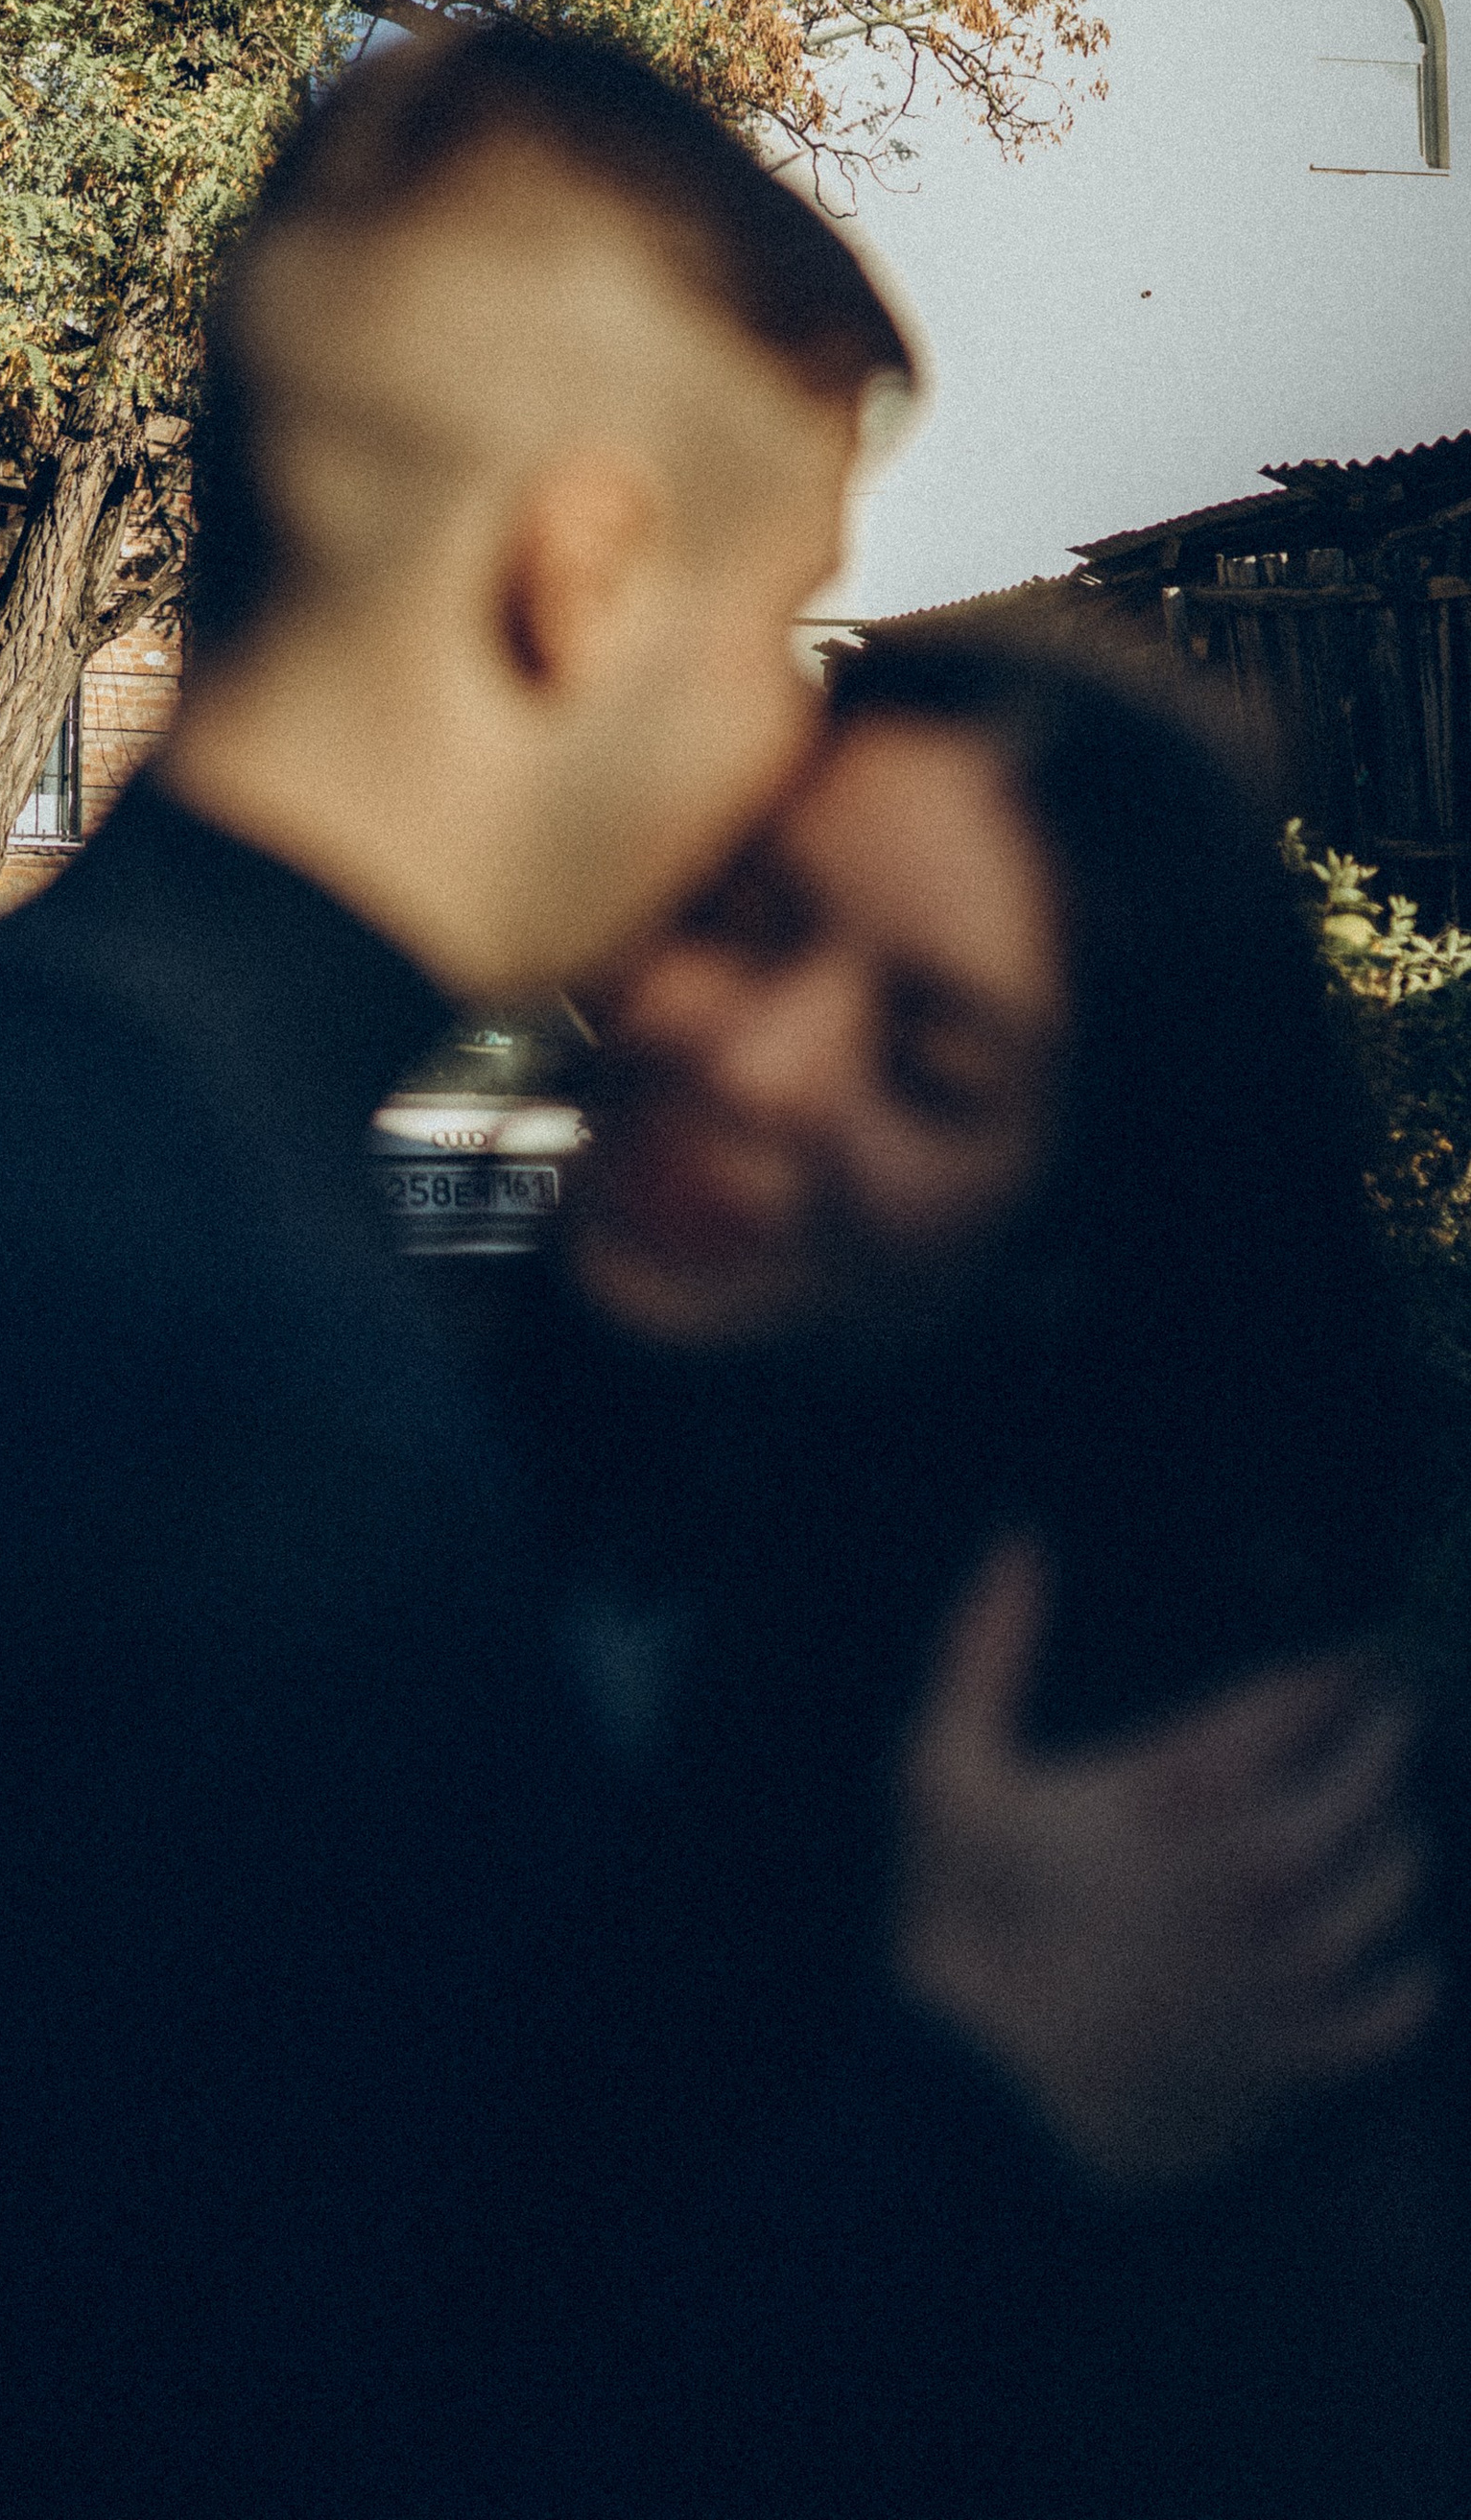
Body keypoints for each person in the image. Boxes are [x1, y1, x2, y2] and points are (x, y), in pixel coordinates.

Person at [0, 20, 1435, 2519]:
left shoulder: (49, 1108)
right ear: (583, 574)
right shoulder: (207, 1314)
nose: (763, 747)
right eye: (777, 613)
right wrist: (986, 2118)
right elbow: (131, 2402)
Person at [524, 623, 1461, 2511]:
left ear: (1072, 1220)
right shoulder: (480, 1466)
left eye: (928, 1065)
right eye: (746, 915)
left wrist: (999, 2108)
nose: (756, 1063)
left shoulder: (1217, 1761)